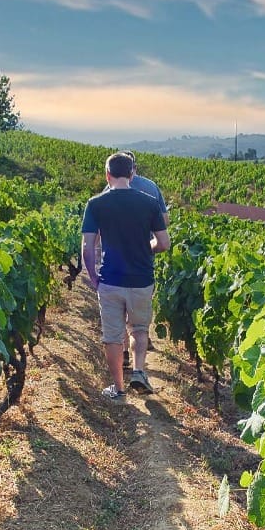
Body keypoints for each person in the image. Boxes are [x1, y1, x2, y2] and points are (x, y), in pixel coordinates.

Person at [81, 152, 170, 400]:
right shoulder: (149, 202)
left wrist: (93, 276)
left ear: (107, 175)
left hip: (110, 279)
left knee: (112, 337)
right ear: (132, 174)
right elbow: (163, 243)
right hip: (141, 279)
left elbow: (88, 246)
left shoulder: (95, 204)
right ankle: (139, 371)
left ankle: (119, 389)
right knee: (139, 329)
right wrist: (146, 246)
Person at [100, 151, 169, 370]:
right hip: (144, 257)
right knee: (138, 312)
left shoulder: (107, 192)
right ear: (133, 169)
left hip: (116, 260)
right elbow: (164, 222)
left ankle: (123, 353)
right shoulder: (151, 188)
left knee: (118, 308)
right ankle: (140, 344)